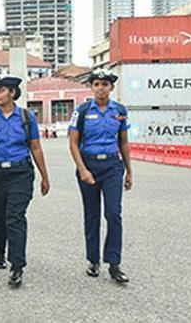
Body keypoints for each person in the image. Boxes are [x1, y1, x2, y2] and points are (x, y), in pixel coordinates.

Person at [0, 75, 50, 288]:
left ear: (12, 93)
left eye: (0, 90)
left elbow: (35, 147)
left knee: (15, 216)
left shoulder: (26, 117)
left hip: (20, 172)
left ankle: (17, 266)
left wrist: (44, 176)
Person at [68, 68, 133, 284]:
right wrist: (82, 169)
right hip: (89, 165)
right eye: (96, 84)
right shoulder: (83, 110)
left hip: (113, 167)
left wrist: (129, 171)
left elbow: (123, 142)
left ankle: (114, 263)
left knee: (114, 214)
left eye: (105, 84)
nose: (101, 88)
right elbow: (73, 143)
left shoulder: (120, 111)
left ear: (111, 87)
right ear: (92, 87)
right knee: (92, 215)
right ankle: (93, 260)